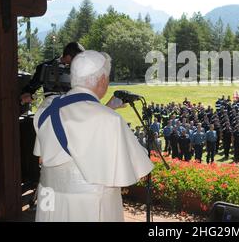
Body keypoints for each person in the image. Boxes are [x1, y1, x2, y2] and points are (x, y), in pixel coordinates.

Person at [33, 50, 153, 222]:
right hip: (87, 205)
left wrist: (107, 108)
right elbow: (137, 171)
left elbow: (44, 156)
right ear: (103, 79)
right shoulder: (109, 120)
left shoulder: (46, 108)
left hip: (48, 198)